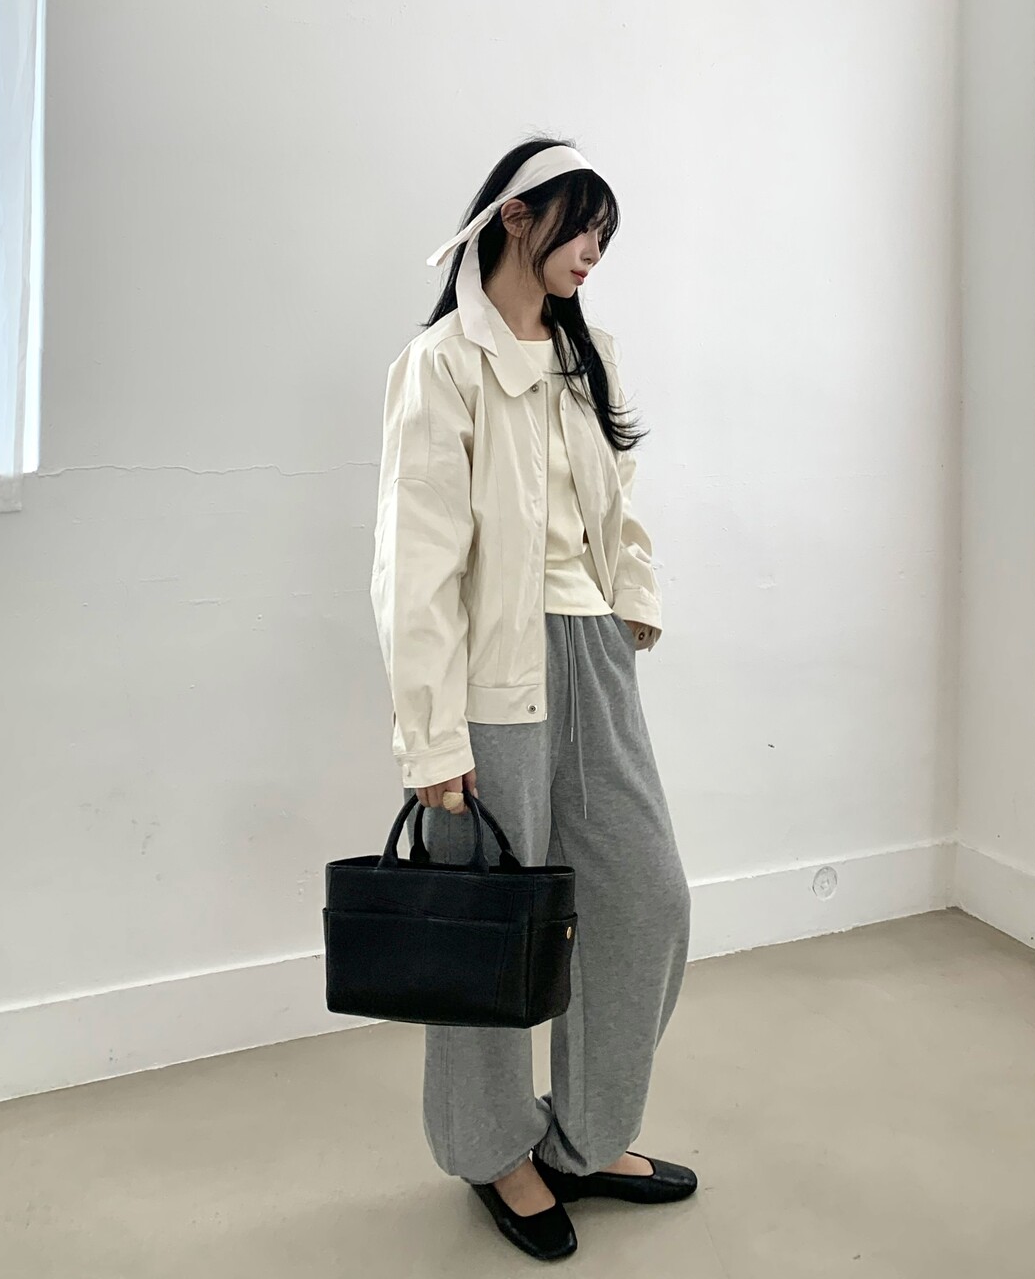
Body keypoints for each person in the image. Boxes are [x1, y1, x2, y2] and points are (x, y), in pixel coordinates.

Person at [369, 138, 695, 1263]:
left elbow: (618, 493)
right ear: (517, 216)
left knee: (645, 897)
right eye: (581, 226)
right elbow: (414, 563)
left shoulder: (583, 354)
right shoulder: (442, 364)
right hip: (488, 674)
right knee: (488, 928)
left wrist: (630, 598)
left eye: (606, 234)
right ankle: (491, 1148)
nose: (595, 250)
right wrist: (430, 738)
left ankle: (586, 1137)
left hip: (590, 650)